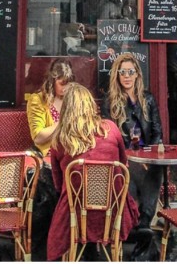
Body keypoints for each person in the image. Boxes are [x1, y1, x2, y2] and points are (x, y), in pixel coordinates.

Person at [47, 82, 139, 261]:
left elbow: (59, 185)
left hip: (76, 215)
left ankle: (79, 252)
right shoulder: (111, 129)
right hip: (112, 213)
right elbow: (123, 165)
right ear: (91, 105)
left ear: (66, 108)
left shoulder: (59, 140)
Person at [104, 53, 163, 232]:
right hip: (124, 157)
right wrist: (127, 157)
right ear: (117, 75)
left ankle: (144, 221)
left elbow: (157, 132)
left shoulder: (148, 99)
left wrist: (150, 156)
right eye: (123, 72)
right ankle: (138, 225)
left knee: (156, 168)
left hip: (147, 156)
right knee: (128, 171)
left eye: (130, 72)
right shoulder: (110, 102)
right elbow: (110, 136)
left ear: (137, 74)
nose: (127, 76)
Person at [27, 59, 75, 262]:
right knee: (49, 191)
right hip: (47, 155)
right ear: (52, 81)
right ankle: (49, 248)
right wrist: (62, 121)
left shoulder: (75, 99)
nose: (66, 87)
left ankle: (77, 245)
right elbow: (38, 136)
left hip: (72, 155)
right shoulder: (39, 100)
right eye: (62, 82)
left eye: (69, 82)